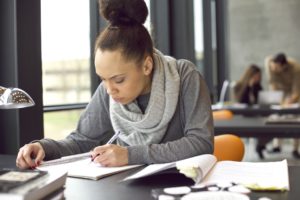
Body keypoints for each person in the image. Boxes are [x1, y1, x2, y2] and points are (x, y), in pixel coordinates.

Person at [16, 0, 214, 169]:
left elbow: (201, 143)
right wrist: (44, 147)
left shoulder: (184, 76)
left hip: (180, 187)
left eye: (119, 80)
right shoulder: (108, 92)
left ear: (147, 65)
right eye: (103, 79)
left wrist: (129, 155)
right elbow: (82, 141)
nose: (110, 90)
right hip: (126, 188)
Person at [265, 52, 300, 158]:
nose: (274, 69)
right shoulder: (269, 63)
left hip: (293, 93)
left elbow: (296, 90)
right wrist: (278, 100)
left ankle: (295, 148)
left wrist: (289, 102)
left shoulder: (296, 69)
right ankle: (277, 146)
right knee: (277, 116)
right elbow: (272, 83)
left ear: (283, 65)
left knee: (296, 118)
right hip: (280, 92)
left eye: (276, 67)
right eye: (273, 67)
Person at [233, 64, 267, 159]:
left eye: (259, 76)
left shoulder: (258, 87)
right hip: (242, 116)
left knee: (268, 126)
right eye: (256, 76)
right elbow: (241, 101)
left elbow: (260, 101)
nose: (257, 78)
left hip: (256, 115)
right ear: (250, 75)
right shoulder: (239, 86)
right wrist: (249, 87)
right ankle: (259, 146)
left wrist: (253, 88)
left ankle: (259, 146)